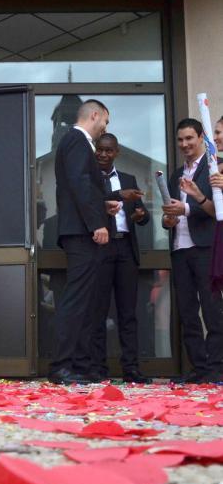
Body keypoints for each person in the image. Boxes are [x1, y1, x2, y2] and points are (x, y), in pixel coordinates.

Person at [48, 99, 111, 384]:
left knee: (83, 302)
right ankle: (62, 365)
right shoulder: (76, 139)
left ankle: (78, 365)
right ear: (94, 115)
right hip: (81, 233)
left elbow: (84, 186)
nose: (105, 128)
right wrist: (96, 222)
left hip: (80, 229)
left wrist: (104, 205)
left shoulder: (76, 142)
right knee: (75, 302)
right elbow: (79, 183)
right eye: (105, 122)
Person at [162, 117, 223, 383]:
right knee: (187, 312)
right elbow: (173, 212)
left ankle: (215, 367)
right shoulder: (176, 174)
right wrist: (169, 220)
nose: (185, 144)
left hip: (205, 248)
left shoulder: (214, 168)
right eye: (180, 139)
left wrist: (189, 205)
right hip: (180, 248)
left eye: (189, 138)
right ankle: (198, 367)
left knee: (211, 309)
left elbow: (215, 212)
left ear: (201, 138)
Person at [90, 133, 150, 383]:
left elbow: (143, 215)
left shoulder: (128, 179)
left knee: (128, 313)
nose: (103, 155)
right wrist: (118, 196)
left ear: (117, 152)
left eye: (108, 151)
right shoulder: (90, 179)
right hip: (100, 249)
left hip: (125, 248)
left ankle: (132, 369)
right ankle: (97, 369)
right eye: (100, 151)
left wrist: (139, 216)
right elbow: (89, 205)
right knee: (98, 312)